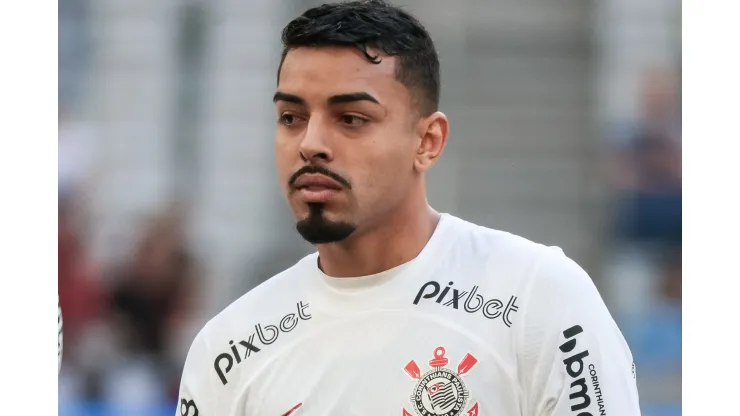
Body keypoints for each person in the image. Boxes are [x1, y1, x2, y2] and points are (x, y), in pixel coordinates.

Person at [176, 1, 641, 415]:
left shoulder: (538, 299)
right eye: (291, 118)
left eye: (351, 119)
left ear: (428, 141)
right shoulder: (229, 348)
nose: (311, 144)